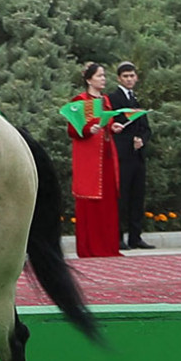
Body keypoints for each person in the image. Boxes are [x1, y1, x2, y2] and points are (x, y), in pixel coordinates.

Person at [67, 62, 124, 258]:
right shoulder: (80, 100)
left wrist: (113, 127)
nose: (103, 79)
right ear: (89, 79)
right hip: (89, 159)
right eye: (99, 76)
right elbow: (72, 128)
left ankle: (109, 247)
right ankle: (91, 248)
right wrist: (86, 130)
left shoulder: (106, 100)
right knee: (91, 202)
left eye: (104, 76)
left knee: (108, 202)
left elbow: (106, 123)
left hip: (107, 157)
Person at [108, 61, 153, 249]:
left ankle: (136, 236)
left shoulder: (137, 100)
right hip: (122, 155)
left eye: (132, 76)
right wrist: (128, 139)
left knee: (137, 197)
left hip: (137, 156)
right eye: (125, 76)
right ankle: (118, 237)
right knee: (122, 197)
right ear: (119, 78)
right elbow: (113, 125)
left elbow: (146, 127)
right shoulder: (113, 99)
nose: (129, 79)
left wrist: (141, 139)